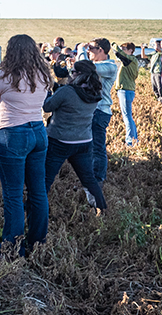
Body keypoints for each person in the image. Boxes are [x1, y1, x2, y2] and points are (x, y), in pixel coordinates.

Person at [0, 34, 51, 255]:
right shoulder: (43, 73)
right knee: (38, 191)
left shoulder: (6, 75)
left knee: (13, 195)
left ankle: (12, 248)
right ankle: (37, 243)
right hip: (38, 132)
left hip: (13, 134)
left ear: (10, 51)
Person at [43, 59, 107, 212]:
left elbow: (47, 106)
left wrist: (48, 92)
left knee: (45, 180)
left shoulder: (67, 91)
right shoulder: (95, 91)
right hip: (84, 142)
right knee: (89, 180)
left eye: (72, 72)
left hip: (59, 141)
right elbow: (73, 96)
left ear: (79, 74)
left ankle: (33, 209)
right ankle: (103, 209)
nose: (70, 74)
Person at [85, 39, 118, 188]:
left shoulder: (110, 66)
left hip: (100, 111)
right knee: (89, 148)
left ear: (102, 50)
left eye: (91, 48)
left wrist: (80, 52)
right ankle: (90, 179)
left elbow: (88, 68)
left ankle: (98, 180)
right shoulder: (99, 65)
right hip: (92, 111)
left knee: (97, 148)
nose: (88, 51)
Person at [113, 42, 140, 146]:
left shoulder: (130, 60)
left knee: (127, 116)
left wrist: (113, 44)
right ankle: (134, 139)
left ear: (130, 51)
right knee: (128, 116)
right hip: (126, 90)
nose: (122, 50)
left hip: (125, 90)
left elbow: (118, 53)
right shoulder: (130, 61)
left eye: (124, 48)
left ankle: (130, 141)